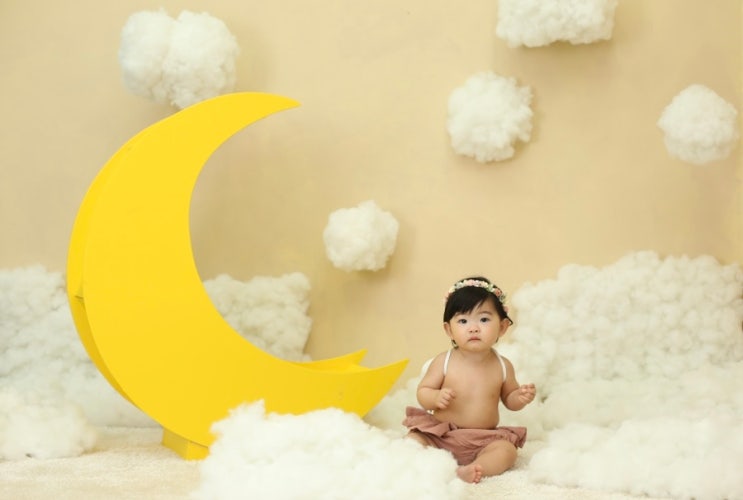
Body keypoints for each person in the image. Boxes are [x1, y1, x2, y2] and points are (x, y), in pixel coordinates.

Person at [403, 276, 536, 483]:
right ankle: (431, 468)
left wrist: (519, 397)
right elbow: (423, 391)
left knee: (506, 451)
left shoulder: (503, 365)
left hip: (483, 439)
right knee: (413, 440)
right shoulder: (444, 361)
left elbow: (510, 400)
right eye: (463, 321)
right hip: (441, 435)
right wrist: (435, 397)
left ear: (502, 327)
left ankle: (475, 468)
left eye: (484, 319)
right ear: (449, 330)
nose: (473, 328)